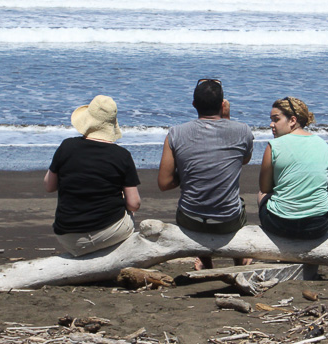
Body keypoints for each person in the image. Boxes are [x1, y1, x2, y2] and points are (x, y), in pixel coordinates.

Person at [157, 78, 255, 269]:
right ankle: (239, 260)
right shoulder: (243, 131)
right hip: (227, 220)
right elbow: (243, 160)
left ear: (194, 104)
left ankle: (206, 261)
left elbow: (164, 183)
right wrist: (227, 119)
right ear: (222, 104)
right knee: (239, 204)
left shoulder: (175, 133)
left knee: (193, 204)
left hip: (190, 219)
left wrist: (186, 173)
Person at [44, 95, 141, 256]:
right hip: (108, 234)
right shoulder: (122, 155)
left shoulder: (67, 146)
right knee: (130, 210)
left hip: (68, 237)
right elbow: (134, 204)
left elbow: (49, 186)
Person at [258, 96, 328, 239]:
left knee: (261, 195)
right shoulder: (324, 145)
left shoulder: (274, 146)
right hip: (319, 224)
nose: (271, 124)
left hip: (281, 224)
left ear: (292, 120)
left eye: (276, 119)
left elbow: (265, 188)